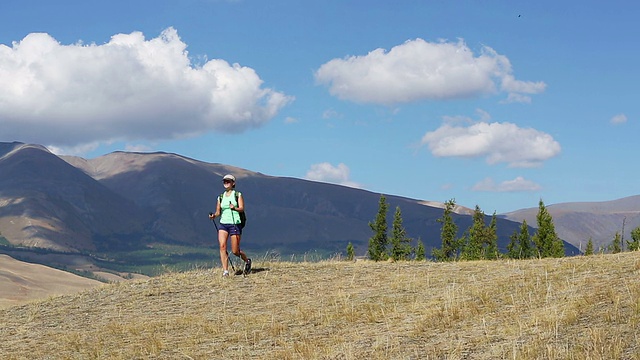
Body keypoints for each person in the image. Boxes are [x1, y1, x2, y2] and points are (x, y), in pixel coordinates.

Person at [209, 174, 251, 277]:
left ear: (233, 183)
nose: (226, 183)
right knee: (222, 246)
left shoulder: (237, 195)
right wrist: (214, 216)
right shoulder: (220, 197)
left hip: (235, 223)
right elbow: (218, 212)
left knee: (235, 251)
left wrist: (234, 208)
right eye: (224, 181)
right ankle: (225, 271)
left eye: (228, 181)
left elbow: (242, 208)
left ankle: (247, 260)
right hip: (223, 224)